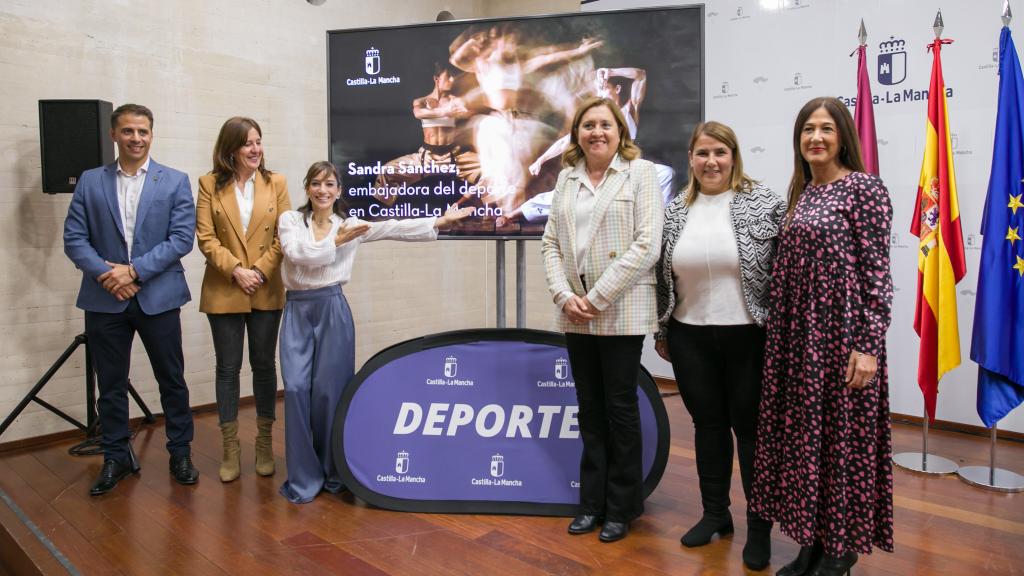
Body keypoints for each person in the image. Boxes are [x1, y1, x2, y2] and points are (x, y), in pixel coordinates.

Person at [750, 97, 894, 576]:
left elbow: (878, 273)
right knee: (806, 445)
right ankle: (811, 541)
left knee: (841, 444)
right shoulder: (802, 192)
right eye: (808, 129)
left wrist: (869, 346)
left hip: (842, 339)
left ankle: (841, 549)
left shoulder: (864, 190)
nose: (816, 137)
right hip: (796, 340)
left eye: (826, 129)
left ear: (842, 136)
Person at [276, 161, 472, 503]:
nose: (323, 190)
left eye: (330, 184)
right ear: (307, 188)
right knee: (294, 389)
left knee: (329, 391)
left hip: (333, 308)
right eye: (316, 184)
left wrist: (438, 222)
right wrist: (336, 242)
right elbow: (297, 255)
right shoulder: (291, 221)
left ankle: (333, 471)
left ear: (339, 191)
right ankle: (304, 477)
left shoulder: (350, 224)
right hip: (297, 310)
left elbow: (392, 227)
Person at [653, 121, 784, 571]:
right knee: (707, 427)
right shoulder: (674, 211)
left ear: (734, 157)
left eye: (720, 153)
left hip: (749, 335)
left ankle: (760, 527)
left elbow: (784, 273)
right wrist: (662, 332)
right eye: (703, 153)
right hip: (690, 336)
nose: (712, 162)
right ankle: (715, 515)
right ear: (690, 159)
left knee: (750, 432)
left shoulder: (764, 203)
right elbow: (660, 279)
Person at [541, 96, 663, 542]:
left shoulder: (641, 173)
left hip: (621, 310)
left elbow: (647, 244)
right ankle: (591, 503)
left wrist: (596, 296)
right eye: (588, 125)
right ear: (577, 134)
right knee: (589, 410)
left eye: (605, 125)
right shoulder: (566, 179)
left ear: (620, 131)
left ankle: (623, 506)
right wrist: (563, 294)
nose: (597, 132)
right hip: (576, 311)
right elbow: (550, 243)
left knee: (620, 409)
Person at [63, 103, 199, 495]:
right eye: (128, 131)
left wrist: (134, 271)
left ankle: (180, 452)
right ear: (113, 135)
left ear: (151, 135)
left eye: (142, 132)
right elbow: (75, 239)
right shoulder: (90, 181)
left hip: (158, 296)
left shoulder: (174, 181)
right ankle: (116, 457)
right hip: (105, 299)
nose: (135, 138)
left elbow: (180, 239)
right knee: (109, 383)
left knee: (171, 380)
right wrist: (111, 276)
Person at [195, 117, 291, 482]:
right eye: (247, 143)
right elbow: (206, 238)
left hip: (265, 286)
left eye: (259, 142)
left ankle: (264, 443)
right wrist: (237, 270)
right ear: (230, 149)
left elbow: (285, 235)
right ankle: (230, 447)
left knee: (264, 366)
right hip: (225, 286)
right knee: (227, 368)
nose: (255, 149)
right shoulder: (208, 184)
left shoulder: (276, 183)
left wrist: (260, 272)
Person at [449, 25, 602, 214]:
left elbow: (549, 56)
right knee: (498, 175)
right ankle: (498, 212)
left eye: (514, 42)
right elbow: (456, 59)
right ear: (495, 42)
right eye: (507, 41)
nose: (511, 46)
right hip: (496, 124)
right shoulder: (483, 63)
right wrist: (473, 41)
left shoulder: (519, 63)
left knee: (519, 177)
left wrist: (578, 49)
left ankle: (513, 215)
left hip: (516, 122)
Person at [372, 62, 480, 205]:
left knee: (493, 169)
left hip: (453, 156)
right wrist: (446, 112)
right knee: (387, 170)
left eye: (454, 77)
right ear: (436, 79)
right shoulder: (421, 102)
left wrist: (464, 111)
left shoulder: (456, 101)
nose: (452, 80)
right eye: (448, 77)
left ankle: (481, 211)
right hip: (427, 157)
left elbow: (471, 111)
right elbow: (418, 113)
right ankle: (381, 213)